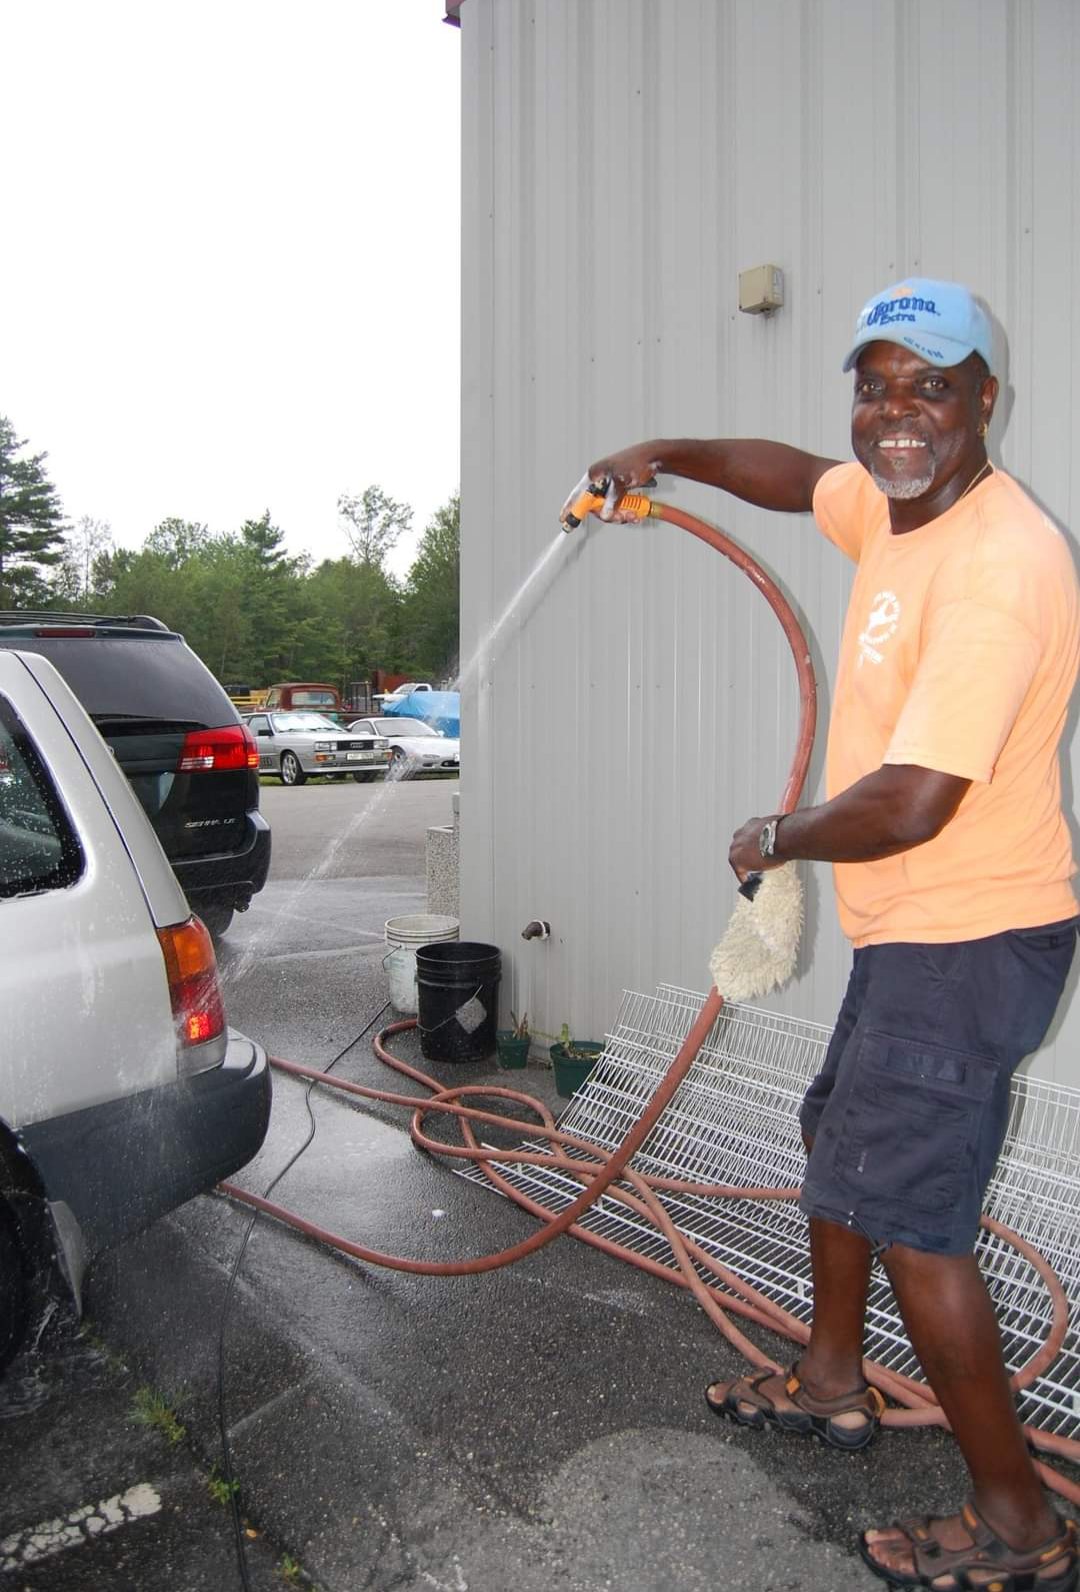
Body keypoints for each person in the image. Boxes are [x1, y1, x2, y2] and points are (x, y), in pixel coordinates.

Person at [574, 278, 1080, 1591]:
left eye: (930, 386)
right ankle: (832, 1377)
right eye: (876, 386)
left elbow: (915, 802)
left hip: (971, 937)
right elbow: (800, 480)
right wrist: (666, 457)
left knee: (918, 1225)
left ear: (986, 399)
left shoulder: (1000, 567)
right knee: (832, 1141)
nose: (895, 416)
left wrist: (777, 837)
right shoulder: (899, 510)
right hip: (918, 932)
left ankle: (1020, 1524)